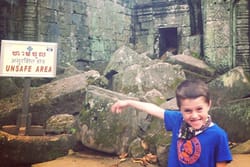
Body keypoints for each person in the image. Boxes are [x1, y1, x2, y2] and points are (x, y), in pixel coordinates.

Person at [111, 79, 232, 167]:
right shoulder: (178, 120)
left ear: (209, 105)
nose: (194, 115)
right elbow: (154, 109)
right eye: (188, 111)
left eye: (199, 109)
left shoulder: (218, 135)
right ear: (180, 109)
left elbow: (221, 164)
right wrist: (129, 102)